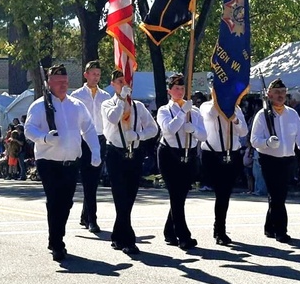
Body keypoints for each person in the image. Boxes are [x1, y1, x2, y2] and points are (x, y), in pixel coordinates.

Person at [24, 64, 100, 263]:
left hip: (71, 162)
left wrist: (96, 150)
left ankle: (56, 237)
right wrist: (45, 138)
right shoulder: (40, 105)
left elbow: (89, 129)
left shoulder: (76, 105)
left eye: (65, 81)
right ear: (49, 83)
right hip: (48, 162)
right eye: (58, 82)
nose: (62, 85)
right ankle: (57, 242)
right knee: (55, 201)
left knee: (66, 203)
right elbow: (28, 130)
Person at [101, 70, 158, 255]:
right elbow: (113, 118)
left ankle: (117, 234)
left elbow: (153, 129)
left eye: (126, 82)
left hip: (134, 153)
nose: (124, 85)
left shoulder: (138, 107)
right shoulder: (107, 104)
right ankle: (128, 240)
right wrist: (121, 99)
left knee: (130, 196)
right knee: (120, 196)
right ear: (113, 84)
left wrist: (139, 135)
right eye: (119, 81)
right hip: (115, 153)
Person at [249, 79, 300, 243]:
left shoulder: (292, 113)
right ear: (269, 95)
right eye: (277, 92)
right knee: (277, 195)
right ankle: (281, 231)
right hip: (269, 159)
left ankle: (269, 226)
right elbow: (254, 140)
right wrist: (267, 143)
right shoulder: (262, 115)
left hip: (288, 159)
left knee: (279, 194)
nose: (280, 95)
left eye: (283, 92)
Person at [156, 73, 206, 250]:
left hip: (189, 154)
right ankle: (183, 235)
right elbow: (169, 130)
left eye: (183, 88)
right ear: (170, 91)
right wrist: (182, 113)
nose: (180, 91)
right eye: (176, 88)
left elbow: (204, 135)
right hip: (170, 154)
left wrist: (193, 129)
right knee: (175, 194)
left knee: (180, 196)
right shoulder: (164, 110)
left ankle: (169, 230)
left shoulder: (195, 111)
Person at [199, 95, 248, 246]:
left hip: (231, 154)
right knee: (220, 192)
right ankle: (219, 229)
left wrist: (235, 119)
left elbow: (244, 132)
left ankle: (220, 228)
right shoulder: (206, 106)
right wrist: (220, 102)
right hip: (213, 155)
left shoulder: (237, 109)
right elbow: (210, 115)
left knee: (224, 194)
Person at [71, 60, 110, 233]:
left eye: (99, 74)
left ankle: (86, 215)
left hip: (100, 139)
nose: (96, 77)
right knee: (88, 179)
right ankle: (91, 218)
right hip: (83, 140)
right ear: (86, 74)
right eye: (93, 74)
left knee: (93, 180)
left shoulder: (105, 97)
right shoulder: (77, 96)